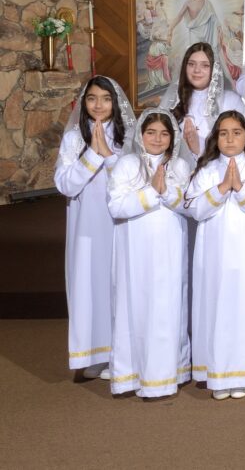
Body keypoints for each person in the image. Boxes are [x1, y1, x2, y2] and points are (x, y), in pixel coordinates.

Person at [185, 110, 245, 400]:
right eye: (223, 133)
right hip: (214, 253)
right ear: (215, 137)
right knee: (217, 307)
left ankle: (243, 372)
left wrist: (240, 187)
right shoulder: (206, 171)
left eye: (236, 133)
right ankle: (218, 372)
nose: (229, 139)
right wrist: (222, 188)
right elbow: (195, 209)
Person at [106, 108, 192, 397]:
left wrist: (166, 192)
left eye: (164, 134)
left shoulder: (180, 167)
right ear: (141, 135)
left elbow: (189, 206)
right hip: (135, 250)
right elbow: (116, 207)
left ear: (172, 137)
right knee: (135, 303)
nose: (157, 139)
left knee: (168, 305)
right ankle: (133, 373)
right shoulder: (127, 165)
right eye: (151, 132)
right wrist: (151, 193)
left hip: (170, 247)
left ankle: (169, 372)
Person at [55, 76, 135, 380]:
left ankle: (120, 354)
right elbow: (65, 184)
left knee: (118, 285)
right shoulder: (73, 138)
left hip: (118, 225)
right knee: (89, 286)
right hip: (86, 228)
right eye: (92, 98)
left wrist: (109, 156)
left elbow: (133, 181)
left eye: (105, 98)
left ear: (115, 102)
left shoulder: (129, 137)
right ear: (83, 102)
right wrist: (92, 154)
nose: (98, 105)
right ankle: (95, 353)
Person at [160, 43, 245, 163]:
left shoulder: (231, 101)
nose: (196, 70)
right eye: (191, 64)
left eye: (205, 65)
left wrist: (198, 147)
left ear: (214, 69)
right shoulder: (172, 100)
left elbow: (241, 143)